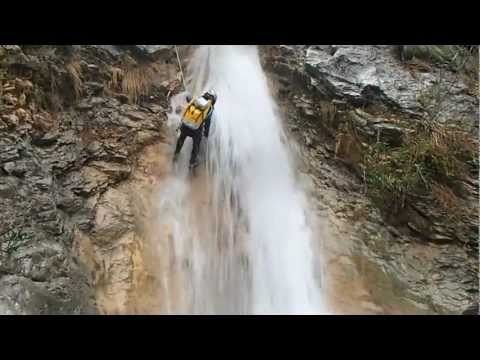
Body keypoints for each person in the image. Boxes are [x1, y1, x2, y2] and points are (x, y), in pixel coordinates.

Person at [173, 90, 217, 171]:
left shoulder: (197, 99)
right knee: (196, 146)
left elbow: (189, 100)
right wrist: (206, 134)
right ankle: (191, 163)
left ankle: (176, 156)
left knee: (181, 139)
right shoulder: (209, 108)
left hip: (185, 125)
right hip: (196, 130)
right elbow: (207, 123)